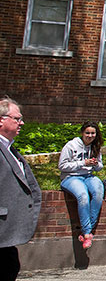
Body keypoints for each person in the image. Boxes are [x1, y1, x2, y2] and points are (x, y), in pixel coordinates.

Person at [0, 97, 41, 281]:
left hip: (6, 234)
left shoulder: (9, 149)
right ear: (1, 120)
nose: (21, 122)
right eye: (17, 118)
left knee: (11, 266)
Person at [58, 121, 105, 250]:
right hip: (71, 177)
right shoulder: (71, 145)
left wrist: (95, 164)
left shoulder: (95, 146)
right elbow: (62, 166)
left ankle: (87, 231)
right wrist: (82, 163)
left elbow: (100, 167)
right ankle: (87, 233)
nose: (90, 136)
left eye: (93, 133)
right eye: (87, 133)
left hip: (88, 176)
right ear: (82, 133)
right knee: (83, 195)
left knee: (99, 191)